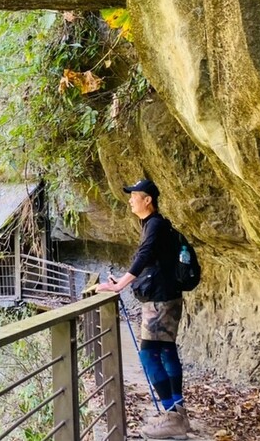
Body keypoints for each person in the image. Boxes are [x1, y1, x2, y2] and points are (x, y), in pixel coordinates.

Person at [94, 178, 191, 440]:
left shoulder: (155, 224)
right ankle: (178, 414)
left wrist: (119, 286)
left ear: (147, 200)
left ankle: (172, 417)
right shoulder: (153, 225)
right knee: (167, 351)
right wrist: (124, 281)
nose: (130, 199)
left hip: (160, 301)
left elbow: (144, 257)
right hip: (165, 297)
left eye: (134, 195)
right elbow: (153, 263)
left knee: (150, 354)